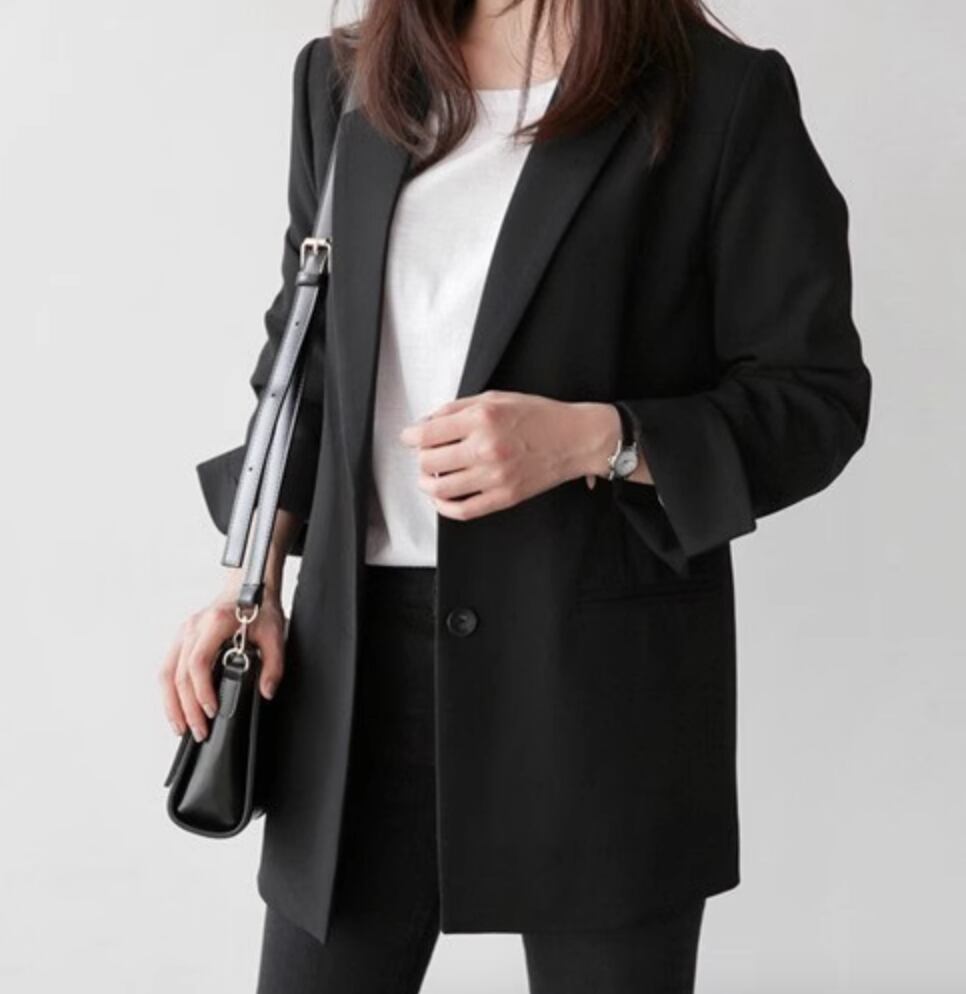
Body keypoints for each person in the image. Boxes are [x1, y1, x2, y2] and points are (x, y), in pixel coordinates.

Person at [159, 1, 872, 991]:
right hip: (355, 671)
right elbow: (305, 368)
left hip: (595, 684)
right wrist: (252, 584)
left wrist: (594, 440)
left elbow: (815, 398)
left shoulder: (719, 95)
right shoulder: (346, 81)